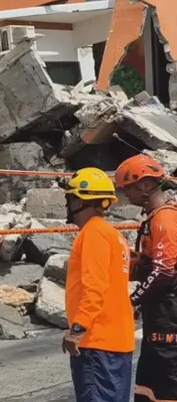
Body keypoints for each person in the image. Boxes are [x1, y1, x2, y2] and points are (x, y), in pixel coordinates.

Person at [60, 167, 135, 402]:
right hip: (117, 343)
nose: (68, 205)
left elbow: (95, 286)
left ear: (83, 201)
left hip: (97, 343)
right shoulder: (114, 235)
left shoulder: (93, 233)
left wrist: (78, 329)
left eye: (71, 198)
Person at [114, 154, 177, 402]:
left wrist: (132, 300)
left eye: (128, 188)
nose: (125, 195)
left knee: (165, 390)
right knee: (147, 389)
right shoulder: (155, 218)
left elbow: (163, 272)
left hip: (168, 321)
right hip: (160, 317)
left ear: (146, 185)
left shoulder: (164, 219)